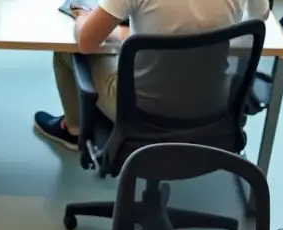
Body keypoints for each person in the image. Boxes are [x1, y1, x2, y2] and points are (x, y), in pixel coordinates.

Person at [33, 0, 268, 150]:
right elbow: (260, 15)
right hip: (213, 107)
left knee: (67, 51)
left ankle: (73, 129)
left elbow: (86, 42)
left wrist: (83, 15)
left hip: (141, 112)